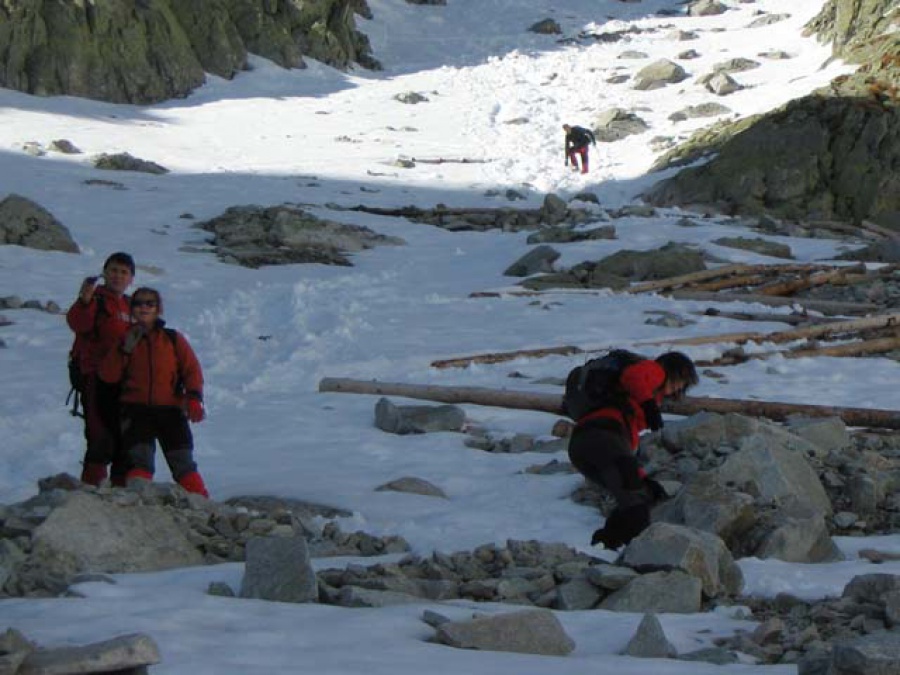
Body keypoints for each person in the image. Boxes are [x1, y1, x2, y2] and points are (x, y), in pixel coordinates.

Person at [567, 351, 698, 549]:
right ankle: (640, 558)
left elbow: (626, 454)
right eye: (682, 379)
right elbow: (632, 376)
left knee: (636, 496)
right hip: (602, 435)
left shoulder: (628, 404)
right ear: (673, 371)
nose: (680, 387)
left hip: (585, 446)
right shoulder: (656, 371)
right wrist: (648, 404)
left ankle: (608, 547)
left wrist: (644, 479)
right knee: (636, 505)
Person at [98, 287, 210, 497]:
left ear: (158, 309)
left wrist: (194, 397)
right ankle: (139, 505)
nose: (144, 307)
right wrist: (123, 349)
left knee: (183, 463)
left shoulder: (173, 339)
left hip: (171, 410)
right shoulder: (125, 340)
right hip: (136, 412)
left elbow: (192, 370)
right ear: (132, 309)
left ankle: (203, 505)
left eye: (150, 303)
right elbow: (108, 375)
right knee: (140, 463)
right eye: (138, 303)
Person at [66, 252, 136, 487]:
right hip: (95, 377)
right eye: (114, 270)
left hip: (124, 379)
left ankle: (118, 489)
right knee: (99, 434)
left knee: (123, 436)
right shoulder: (95, 299)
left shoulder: (130, 305)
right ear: (105, 273)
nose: (118, 276)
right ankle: (91, 489)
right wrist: (84, 301)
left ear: (131, 279)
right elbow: (77, 323)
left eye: (124, 272)